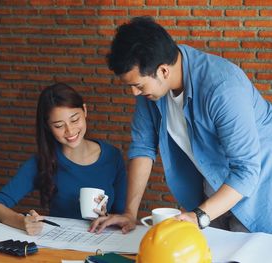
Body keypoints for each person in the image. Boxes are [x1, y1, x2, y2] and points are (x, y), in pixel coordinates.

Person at [90, 16, 272, 234]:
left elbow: (246, 170)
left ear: (163, 71)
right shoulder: (152, 87)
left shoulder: (223, 88)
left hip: (258, 193)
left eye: (138, 85)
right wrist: (130, 213)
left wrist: (199, 216)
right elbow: (143, 147)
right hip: (212, 192)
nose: (134, 93)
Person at [0, 83, 127, 235]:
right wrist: (20, 221)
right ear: (48, 127)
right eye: (59, 125)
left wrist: (109, 218)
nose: (70, 130)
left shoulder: (112, 156)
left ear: (84, 111)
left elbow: (122, 215)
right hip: (59, 245)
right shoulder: (43, 161)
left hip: (101, 244)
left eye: (74, 119)